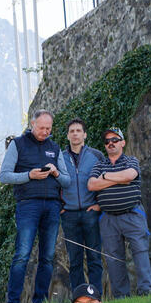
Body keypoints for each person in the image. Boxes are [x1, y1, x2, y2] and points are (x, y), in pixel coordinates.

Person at [0, 110, 71, 303]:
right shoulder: (17, 144)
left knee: (47, 257)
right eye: (42, 128)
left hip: (52, 206)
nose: (45, 132)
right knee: (22, 255)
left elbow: (67, 181)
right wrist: (29, 175)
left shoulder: (54, 147)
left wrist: (56, 172)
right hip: (28, 205)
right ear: (32, 124)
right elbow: (4, 176)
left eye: (49, 128)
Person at [87, 127, 151, 297]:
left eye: (115, 140)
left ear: (122, 142)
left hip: (133, 214)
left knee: (140, 251)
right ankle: (121, 296)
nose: (111, 144)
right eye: (107, 141)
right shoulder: (99, 164)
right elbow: (92, 185)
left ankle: (145, 290)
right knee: (114, 258)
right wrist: (118, 179)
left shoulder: (131, 161)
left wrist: (106, 177)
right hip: (108, 219)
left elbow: (129, 176)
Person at [58, 118, 106, 291]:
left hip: (90, 212)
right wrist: (60, 208)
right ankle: (79, 297)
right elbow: (53, 184)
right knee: (75, 259)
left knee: (94, 256)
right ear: (68, 135)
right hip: (68, 215)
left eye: (78, 130)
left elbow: (106, 180)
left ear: (84, 134)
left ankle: (96, 295)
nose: (75, 133)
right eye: (72, 131)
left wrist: (100, 205)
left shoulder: (96, 155)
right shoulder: (60, 158)